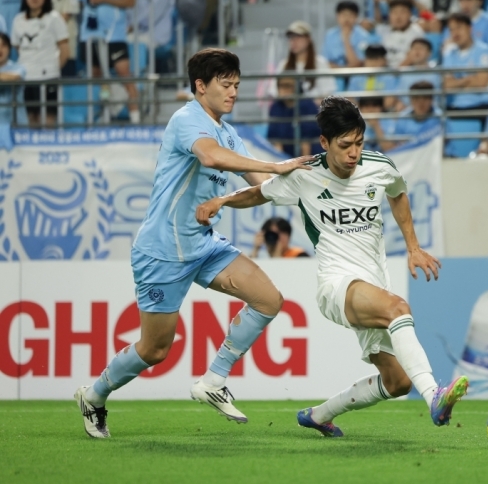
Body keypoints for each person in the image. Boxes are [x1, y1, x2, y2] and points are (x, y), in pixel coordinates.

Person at [195, 95, 469, 437]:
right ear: (324, 142)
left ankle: (318, 415)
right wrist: (221, 200)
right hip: (337, 285)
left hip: (374, 286)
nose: (354, 153)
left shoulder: (379, 166)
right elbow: (258, 193)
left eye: (359, 143)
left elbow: (397, 193)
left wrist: (413, 247)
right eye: (345, 145)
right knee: (398, 309)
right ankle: (434, 396)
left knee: (397, 382)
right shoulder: (305, 175)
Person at [73, 49, 312, 439]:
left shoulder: (228, 132)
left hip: (203, 245)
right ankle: (94, 395)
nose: (233, 92)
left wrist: (309, 186)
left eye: (237, 85)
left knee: (269, 300)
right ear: (200, 86)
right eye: (225, 84)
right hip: (162, 251)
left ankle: (213, 380)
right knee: (154, 350)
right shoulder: (187, 120)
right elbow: (211, 157)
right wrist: (273, 166)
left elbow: (261, 186)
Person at [78, 0, 141, 123]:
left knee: (126, 76)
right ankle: (105, 113)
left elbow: (130, 2)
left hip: (115, 36)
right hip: (90, 35)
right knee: (97, 78)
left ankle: (136, 118)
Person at [12, 0, 68, 126]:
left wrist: (53, 69)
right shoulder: (18, 20)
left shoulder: (54, 18)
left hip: (49, 78)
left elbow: (65, 51)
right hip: (26, 79)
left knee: (48, 121)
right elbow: (18, 47)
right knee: (31, 119)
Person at [442, 12, 488, 122]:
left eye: (459, 27)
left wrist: (457, 82)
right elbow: (447, 86)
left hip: (481, 107)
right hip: (454, 108)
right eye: (451, 30)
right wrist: (468, 79)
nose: (455, 33)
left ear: (469, 28)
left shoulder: (484, 51)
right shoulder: (449, 54)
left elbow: (481, 83)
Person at [267, 21, 337, 101]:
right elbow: (274, 91)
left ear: (308, 39)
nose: (293, 41)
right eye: (291, 37)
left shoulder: (320, 63)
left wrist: (311, 104)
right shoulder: (283, 65)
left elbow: (327, 92)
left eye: (298, 37)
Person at [267, 76, 323, 157]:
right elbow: (275, 139)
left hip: (310, 153)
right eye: (281, 85)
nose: (283, 89)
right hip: (285, 154)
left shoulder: (308, 105)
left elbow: (307, 141)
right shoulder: (276, 107)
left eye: (288, 86)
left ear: (297, 87)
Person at [324, 1, 376, 71]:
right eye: (343, 15)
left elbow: (359, 63)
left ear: (356, 17)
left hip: (356, 74)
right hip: (333, 74)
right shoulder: (330, 35)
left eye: (350, 15)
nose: (346, 19)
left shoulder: (364, 36)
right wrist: (341, 70)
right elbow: (325, 61)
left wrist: (346, 40)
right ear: (337, 16)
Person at [347, 44, 399, 110]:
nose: (373, 62)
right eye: (370, 58)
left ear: (384, 60)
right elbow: (350, 98)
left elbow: (389, 101)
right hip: (358, 112)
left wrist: (374, 110)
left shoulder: (389, 77)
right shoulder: (356, 77)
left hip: (382, 113)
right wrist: (363, 110)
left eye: (377, 58)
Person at [377, 0, 425, 68]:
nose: (398, 17)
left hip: (406, 71)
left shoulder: (417, 33)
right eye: (395, 12)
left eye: (403, 12)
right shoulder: (382, 31)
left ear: (410, 14)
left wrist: (395, 72)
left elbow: (413, 57)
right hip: (384, 71)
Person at [396, 37, 441, 108]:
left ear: (429, 53)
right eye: (414, 48)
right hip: (408, 111)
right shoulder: (405, 73)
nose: (417, 52)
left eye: (421, 48)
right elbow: (400, 98)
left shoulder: (437, 73)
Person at [0, 31, 24, 129]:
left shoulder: (18, 68)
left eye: (3, 45)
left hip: (16, 125)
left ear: (9, 48)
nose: (0, 49)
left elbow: (14, 77)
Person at [51, 0, 79, 77]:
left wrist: (47, 29)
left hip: (67, 46)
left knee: (67, 78)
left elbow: (64, 17)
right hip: (50, 51)